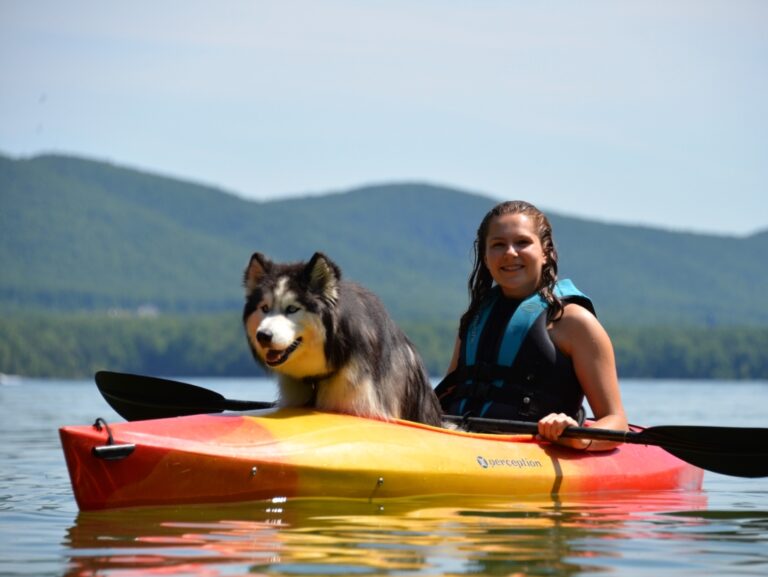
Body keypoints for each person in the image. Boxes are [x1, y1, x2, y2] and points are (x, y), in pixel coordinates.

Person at [436, 200, 627, 450]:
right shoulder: (474, 320)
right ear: (485, 255)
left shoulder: (575, 323)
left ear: (545, 251)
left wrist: (578, 435)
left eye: (522, 242)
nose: (510, 253)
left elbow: (617, 422)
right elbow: (450, 393)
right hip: (459, 442)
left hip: (531, 453)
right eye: (498, 245)